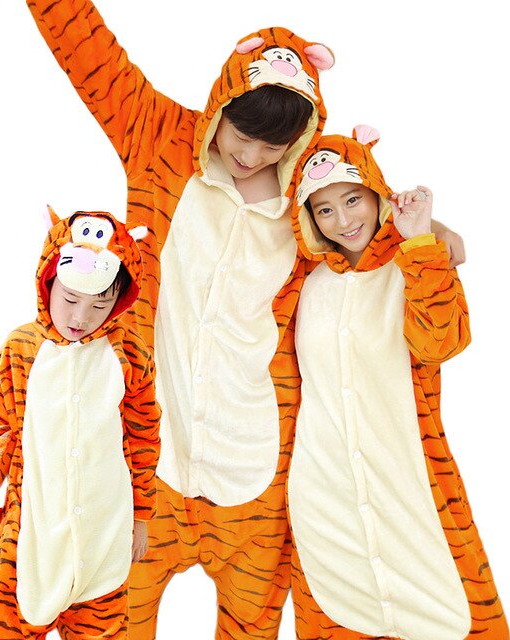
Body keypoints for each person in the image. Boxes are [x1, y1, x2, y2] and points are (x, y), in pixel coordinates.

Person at [24, 3, 466, 637]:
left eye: (273, 146)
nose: (252, 156)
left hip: (258, 473)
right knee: (114, 620)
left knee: (250, 629)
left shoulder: (309, 197)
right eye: (241, 135)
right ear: (221, 106)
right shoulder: (158, 138)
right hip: (148, 468)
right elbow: (85, 47)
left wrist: (435, 232)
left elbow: (366, 214)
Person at [286, 126, 508, 639]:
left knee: (459, 615)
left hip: (411, 481)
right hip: (324, 494)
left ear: (375, 193)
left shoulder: (414, 262)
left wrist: (425, 239)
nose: (344, 221)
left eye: (352, 199)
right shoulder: (304, 281)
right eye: (324, 209)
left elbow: (443, 343)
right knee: (336, 619)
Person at [0, 208, 162, 640]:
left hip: (104, 538)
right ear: (48, 280)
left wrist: (140, 517)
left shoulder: (131, 356)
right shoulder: (21, 349)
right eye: (70, 299)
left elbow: (143, 440)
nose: (80, 318)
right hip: (28, 538)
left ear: (120, 300)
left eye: (99, 305)